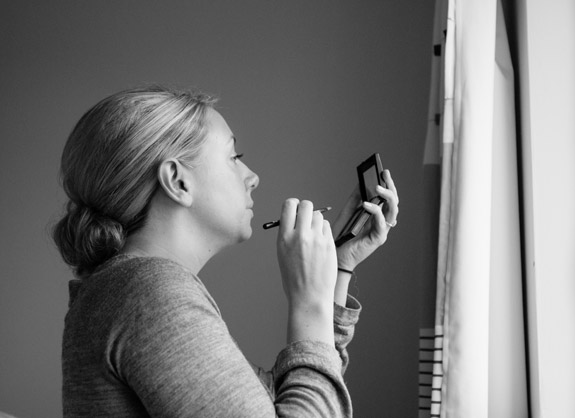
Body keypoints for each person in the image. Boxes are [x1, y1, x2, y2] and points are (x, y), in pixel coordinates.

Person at [53, 85, 399, 417]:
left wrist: (337, 270)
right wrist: (308, 303)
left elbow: (281, 398)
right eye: (234, 157)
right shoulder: (147, 293)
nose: (253, 177)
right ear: (178, 181)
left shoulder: (128, 288)